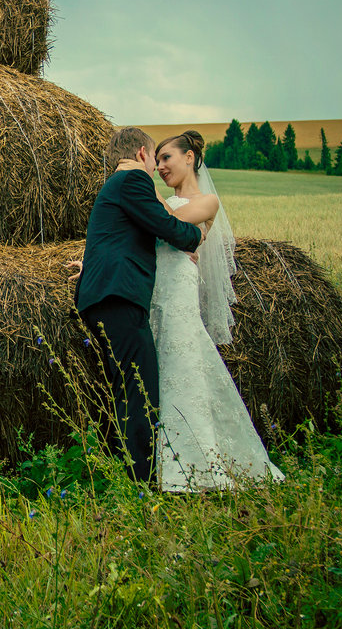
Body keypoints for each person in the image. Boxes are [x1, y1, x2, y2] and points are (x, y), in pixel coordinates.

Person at [149, 131, 283, 491]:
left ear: (189, 157)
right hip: (153, 293)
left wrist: (142, 183)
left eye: (167, 159)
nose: (160, 167)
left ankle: (196, 466)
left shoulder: (207, 202)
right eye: (157, 160)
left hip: (179, 291)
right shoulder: (161, 201)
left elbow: (167, 223)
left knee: (185, 368)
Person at [73, 127, 203, 483]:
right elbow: (165, 225)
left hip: (102, 297)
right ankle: (139, 481)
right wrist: (197, 236)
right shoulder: (133, 182)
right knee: (140, 388)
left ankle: (117, 471)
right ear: (143, 155)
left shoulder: (113, 187)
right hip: (119, 296)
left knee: (123, 387)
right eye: (154, 158)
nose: (156, 168)